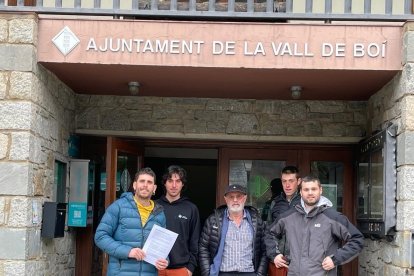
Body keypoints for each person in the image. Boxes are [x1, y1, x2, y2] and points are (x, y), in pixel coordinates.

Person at [265, 175, 364, 276]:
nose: (310, 193)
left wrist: (335, 259)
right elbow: (269, 233)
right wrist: (275, 255)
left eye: (314, 189)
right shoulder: (289, 216)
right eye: (306, 189)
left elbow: (357, 240)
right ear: (300, 192)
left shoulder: (332, 217)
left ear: (320, 190)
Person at [94, 167, 168, 275]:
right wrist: (128, 251)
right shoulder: (118, 207)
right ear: (134, 185)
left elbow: (163, 247)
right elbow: (100, 236)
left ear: (154, 188)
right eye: (142, 181)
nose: (145, 185)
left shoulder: (159, 214)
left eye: (149, 182)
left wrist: (165, 260)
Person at [199, 184, 268, 276]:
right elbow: (203, 248)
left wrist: (260, 274)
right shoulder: (213, 220)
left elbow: (264, 250)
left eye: (238, 196)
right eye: (231, 197)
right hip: (222, 273)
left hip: (249, 272)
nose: (235, 200)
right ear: (226, 199)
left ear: (244, 198)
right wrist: (207, 273)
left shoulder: (257, 222)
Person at [157, 165, 201, 276]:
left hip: (181, 269)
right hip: (155, 267)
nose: (174, 185)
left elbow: (195, 240)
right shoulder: (154, 206)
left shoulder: (191, 208)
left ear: (183, 184)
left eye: (178, 181)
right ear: (164, 183)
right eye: (170, 181)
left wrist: (190, 268)